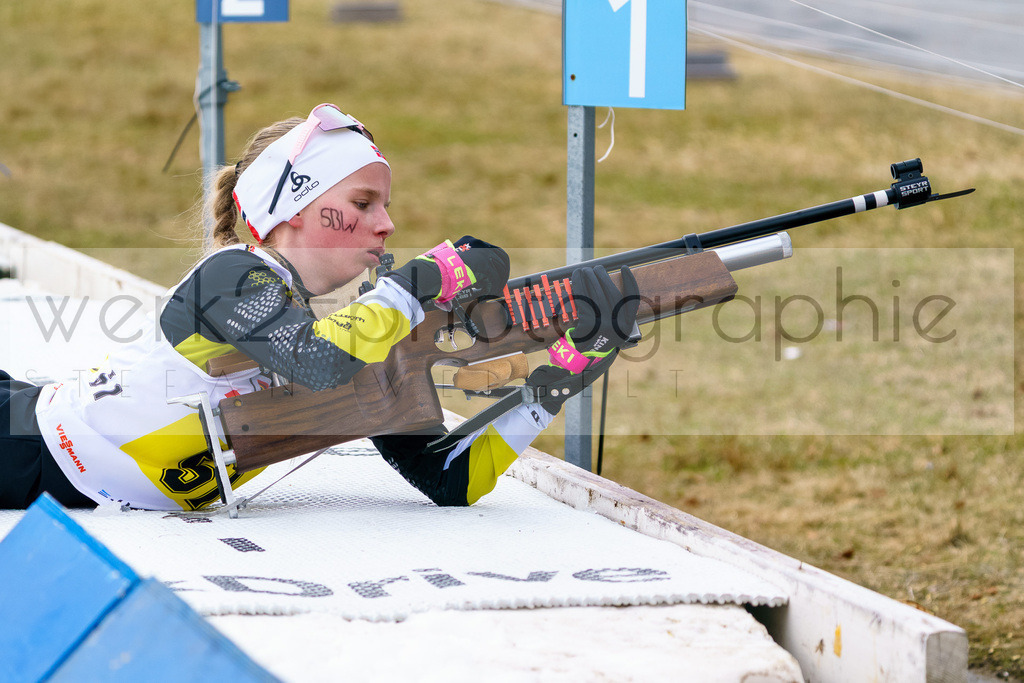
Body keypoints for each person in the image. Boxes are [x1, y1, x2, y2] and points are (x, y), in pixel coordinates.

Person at [0, 103, 638, 511]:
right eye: (362, 204)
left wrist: (551, 386)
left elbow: (451, 479)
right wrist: (419, 285)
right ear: (291, 210)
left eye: (384, 206)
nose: (386, 225)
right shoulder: (229, 276)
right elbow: (315, 362)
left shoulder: (360, 331)